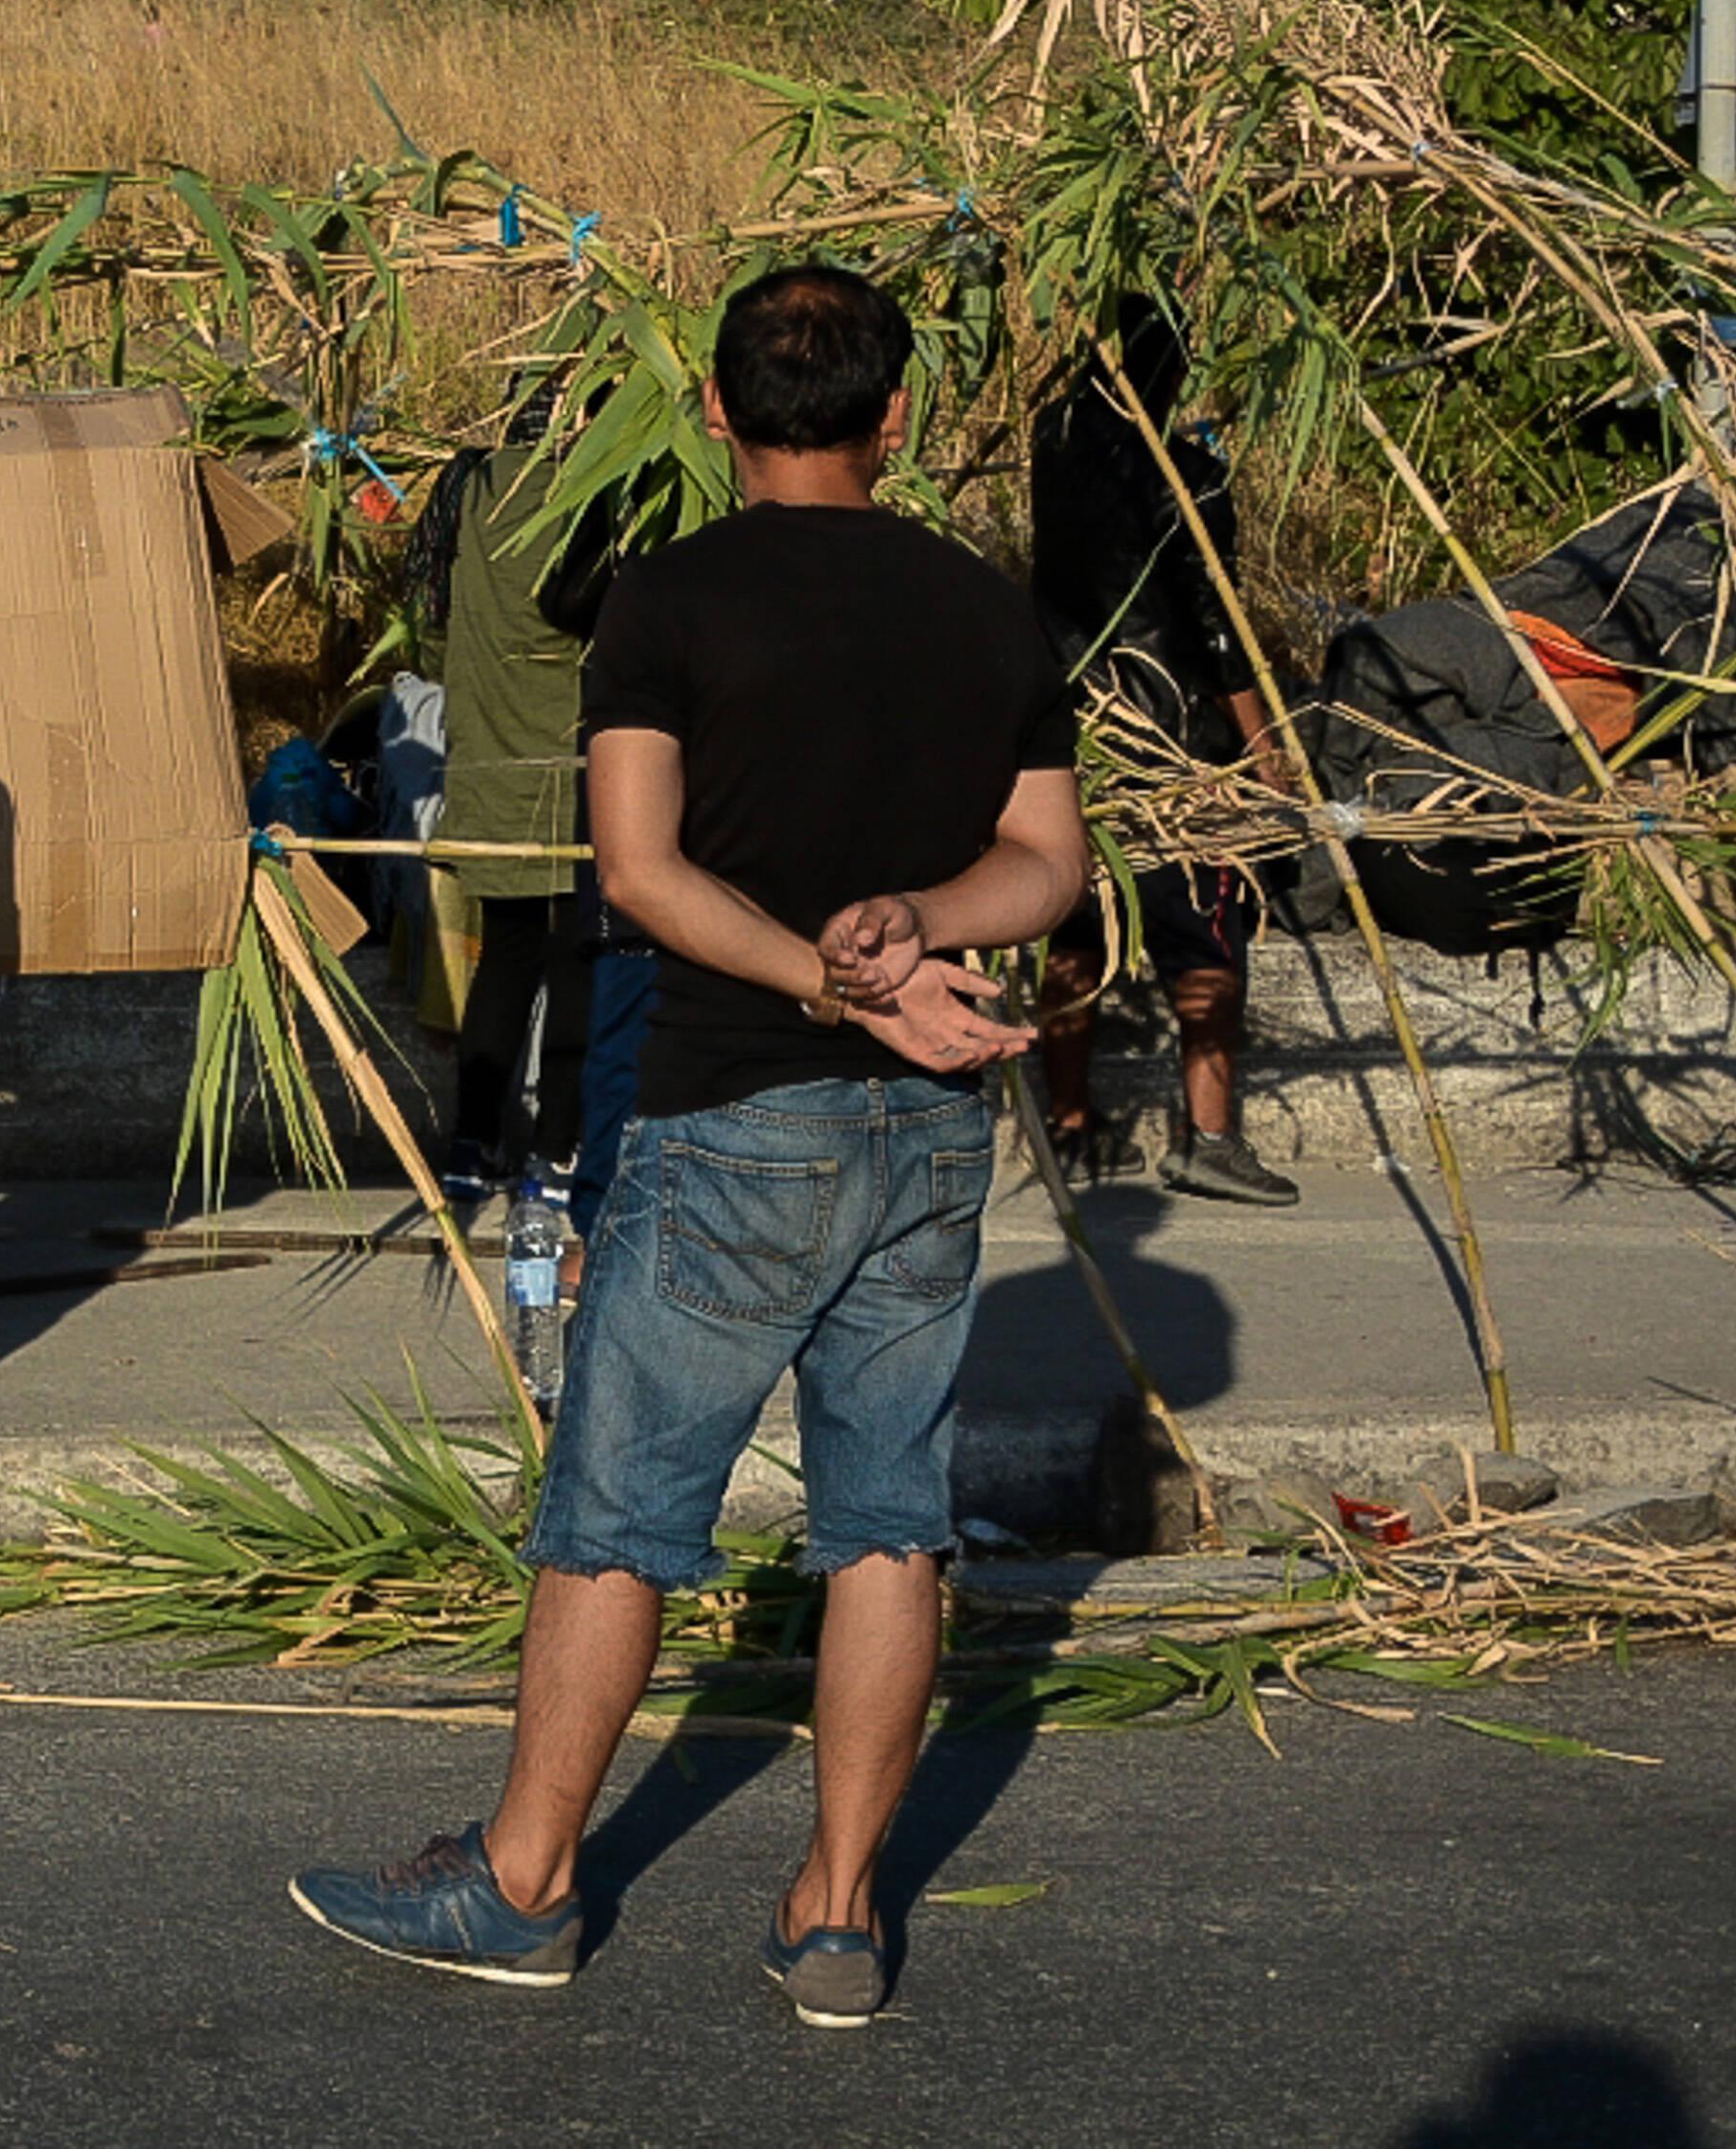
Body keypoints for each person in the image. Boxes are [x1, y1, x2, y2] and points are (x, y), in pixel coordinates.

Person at [292, 263, 1076, 2032]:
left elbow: (639, 872)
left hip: (733, 1110)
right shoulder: (985, 607)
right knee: (886, 1523)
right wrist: (918, 926)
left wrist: (828, 975)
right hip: (930, 1123)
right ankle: (836, 1915)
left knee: (617, 1518)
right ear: (897, 419)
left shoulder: (667, 599)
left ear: (714, 412)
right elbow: (1047, 865)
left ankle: (523, 1880)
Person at [1029, 298, 1298, 1206]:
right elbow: (1216, 623)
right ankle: (1210, 1136)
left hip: (1075, 719)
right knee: (1206, 927)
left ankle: (1069, 1123)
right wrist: (1262, 742)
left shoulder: (1054, 442)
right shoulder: (1187, 477)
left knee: (1078, 920)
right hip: (1167, 731)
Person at [419, 406, 632, 1193]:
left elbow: (434, 629)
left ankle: (471, 1143)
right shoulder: (589, 484)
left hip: (487, 762)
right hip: (568, 766)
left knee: (506, 956)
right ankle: (557, 1147)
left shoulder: (468, 485)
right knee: (578, 957)